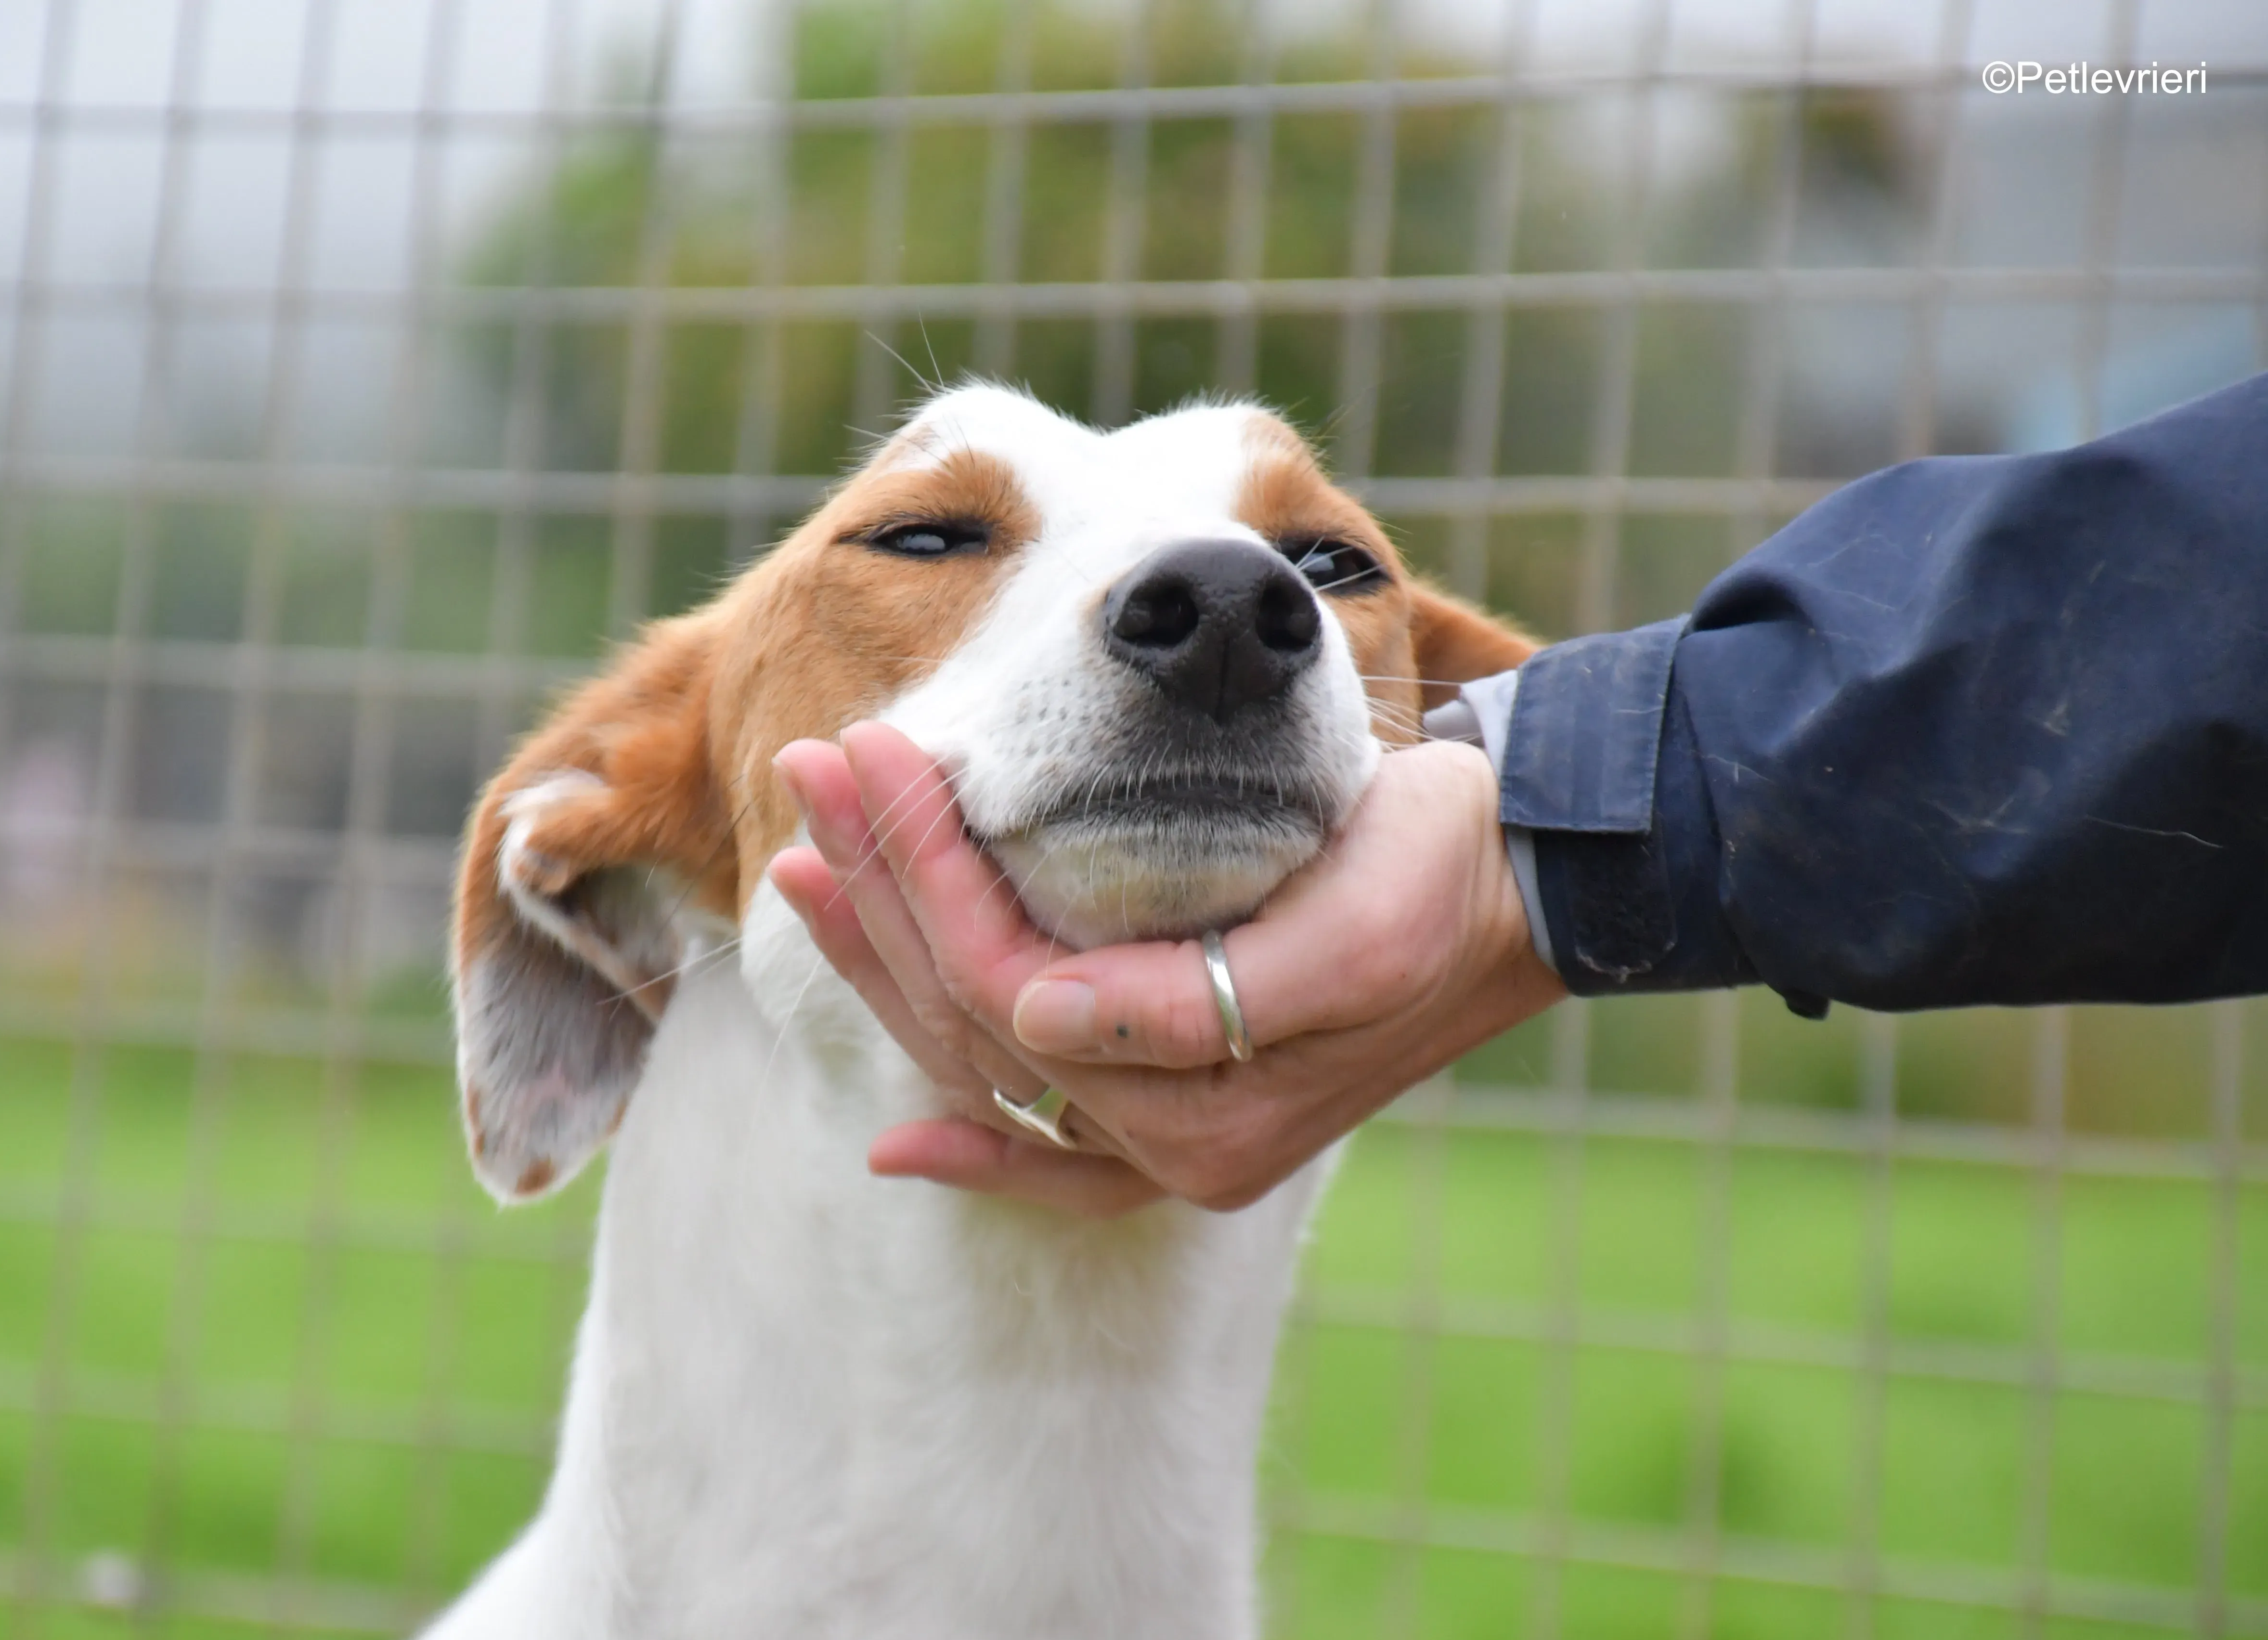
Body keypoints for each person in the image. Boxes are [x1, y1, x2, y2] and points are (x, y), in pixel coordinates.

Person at [764, 372, 2268, 1217]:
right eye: (930, 538)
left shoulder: (1473, 783)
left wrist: (1553, 846)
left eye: (1323, 570)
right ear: (651, 813)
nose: (1240, 607)